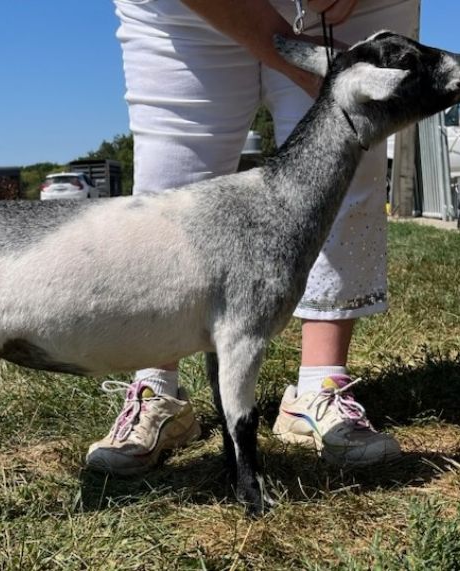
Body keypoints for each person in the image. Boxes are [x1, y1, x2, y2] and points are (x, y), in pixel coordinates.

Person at [86, 0, 420, 474]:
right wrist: (284, 49)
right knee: (171, 180)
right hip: (182, 13)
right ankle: (157, 391)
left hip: (350, 9)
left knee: (343, 169)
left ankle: (320, 387)